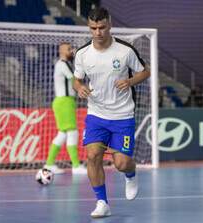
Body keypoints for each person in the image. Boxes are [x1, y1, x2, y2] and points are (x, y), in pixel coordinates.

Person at [73, 7, 150, 218]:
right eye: (93, 28)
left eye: (102, 27)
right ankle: (102, 203)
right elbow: (77, 79)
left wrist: (130, 81)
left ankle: (131, 175)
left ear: (110, 24)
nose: (98, 32)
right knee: (92, 156)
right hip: (96, 114)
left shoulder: (125, 50)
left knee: (122, 163)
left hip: (122, 115)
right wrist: (78, 87)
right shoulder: (82, 54)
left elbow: (146, 71)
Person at [44, 43, 87, 175]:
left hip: (64, 102)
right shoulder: (62, 64)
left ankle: (49, 164)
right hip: (64, 102)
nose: (71, 51)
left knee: (62, 134)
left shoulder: (63, 64)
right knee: (72, 132)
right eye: (69, 49)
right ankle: (75, 166)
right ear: (62, 51)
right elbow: (74, 79)